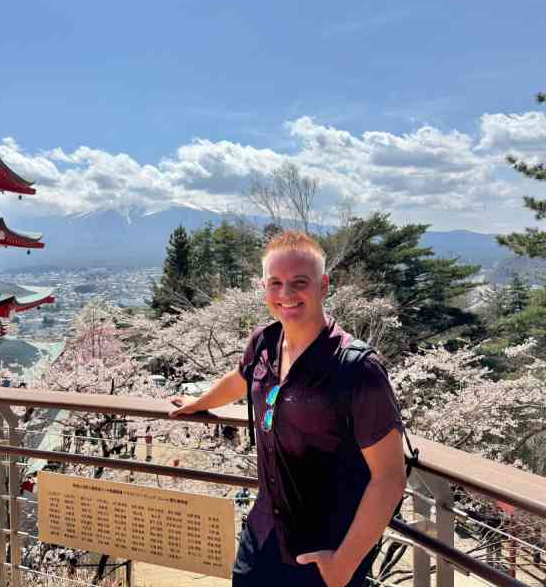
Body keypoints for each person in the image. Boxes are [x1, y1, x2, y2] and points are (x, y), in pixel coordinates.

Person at [170, 231, 406, 587]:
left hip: (325, 550)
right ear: (264, 288)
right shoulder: (265, 342)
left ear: (324, 285)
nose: (286, 294)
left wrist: (344, 563)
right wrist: (198, 403)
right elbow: (242, 378)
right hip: (262, 535)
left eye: (300, 282)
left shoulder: (356, 368)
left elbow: (389, 477)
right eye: (275, 283)